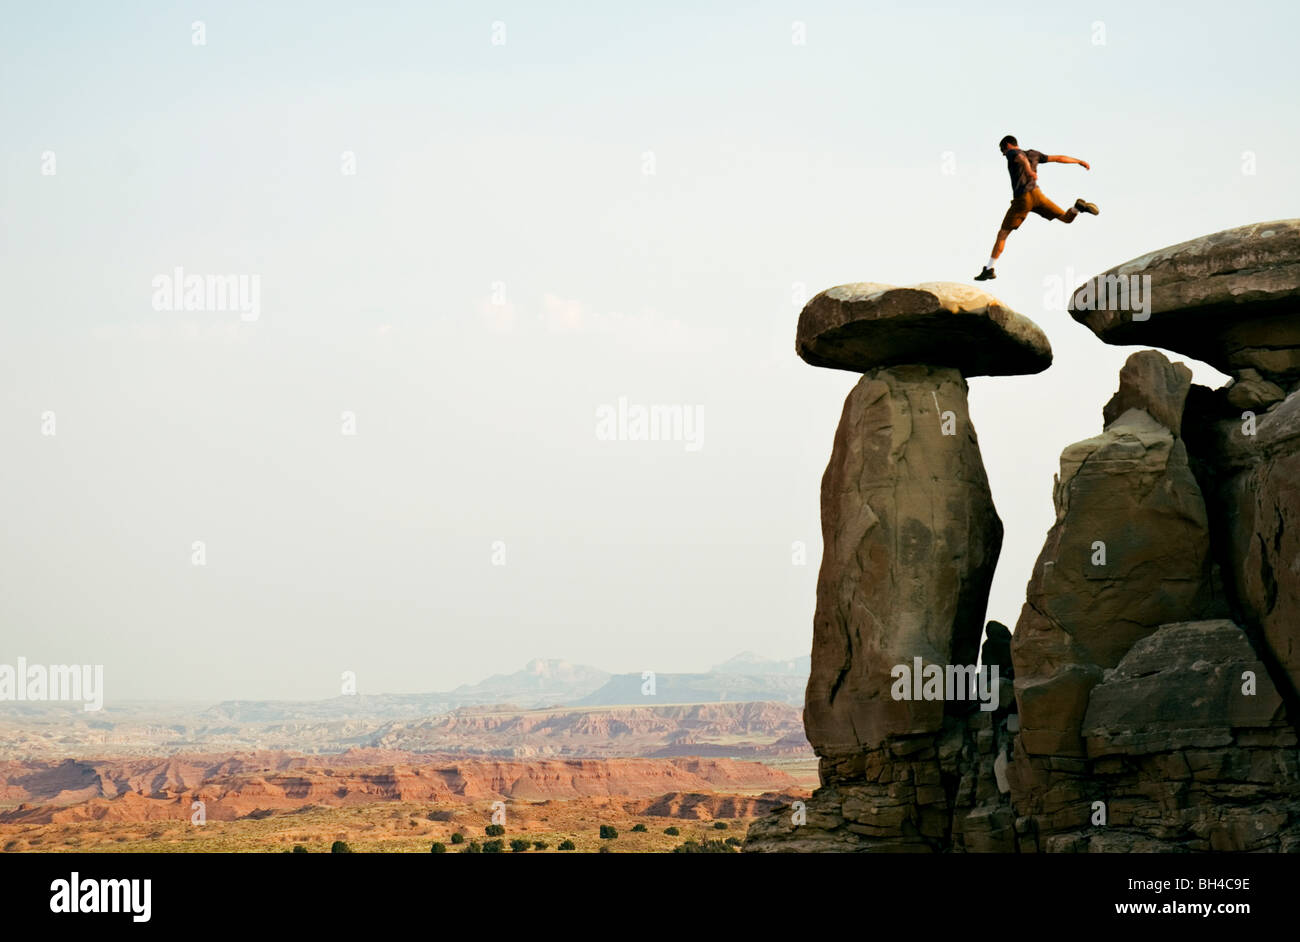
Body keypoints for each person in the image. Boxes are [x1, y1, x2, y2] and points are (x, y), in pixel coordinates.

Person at [975, 135, 1099, 281]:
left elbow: (1020, 157)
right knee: (1066, 218)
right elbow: (1058, 158)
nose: (1003, 154)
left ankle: (989, 268)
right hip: (1037, 196)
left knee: (1003, 234)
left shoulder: (1012, 153)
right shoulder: (1034, 154)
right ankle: (1077, 208)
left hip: (1022, 199)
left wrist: (1028, 171)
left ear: (1008, 145)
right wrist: (1078, 161)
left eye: (1002, 150)